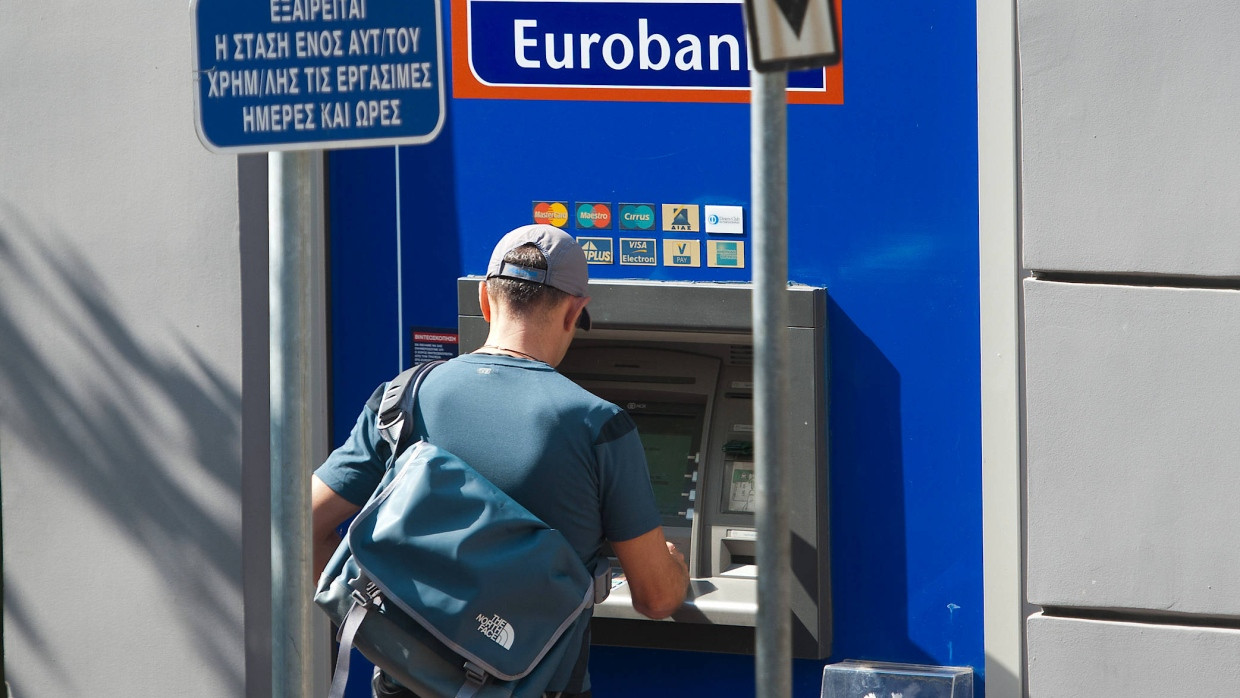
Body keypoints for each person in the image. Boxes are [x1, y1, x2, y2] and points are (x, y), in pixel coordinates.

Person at [311, 224, 690, 698]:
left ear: (486, 301)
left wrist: (390, 624)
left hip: (405, 687)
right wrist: (675, 567)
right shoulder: (599, 425)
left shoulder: (402, 398)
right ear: (574, 311)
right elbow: (656, 599)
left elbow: (300, 525)